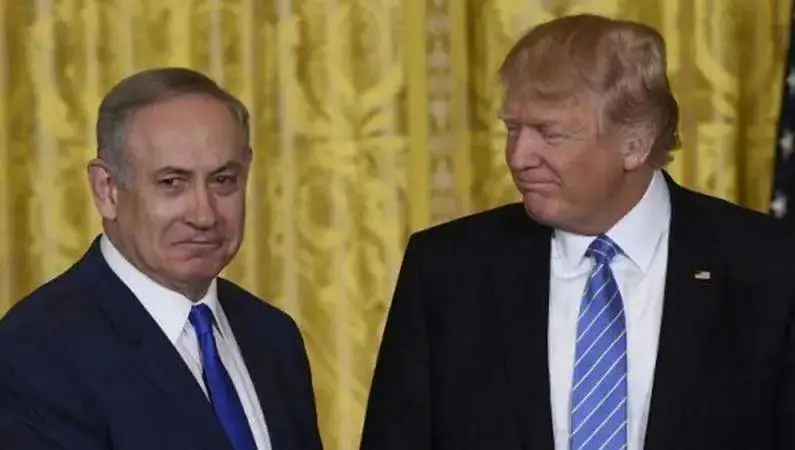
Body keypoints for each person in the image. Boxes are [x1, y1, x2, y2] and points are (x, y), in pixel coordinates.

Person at [360, 13, 795, 450]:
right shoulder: (446, 273)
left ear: (635, 142)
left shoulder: (772, 269)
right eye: (513, 129)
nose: (518, 157)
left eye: (548, 133)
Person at [0, 67, 323, 450]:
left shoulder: (273, 337)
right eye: (172, 183)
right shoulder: (34, 352)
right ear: (107, 190)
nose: (204, 215)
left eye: (223, 180)